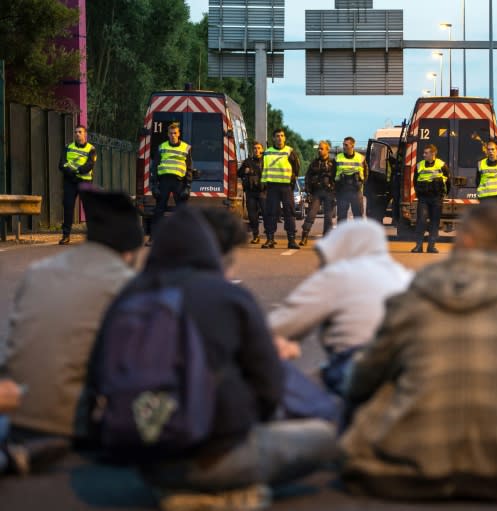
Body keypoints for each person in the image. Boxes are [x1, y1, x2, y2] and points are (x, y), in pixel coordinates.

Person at [83, 207, 337, 510]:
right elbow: (269, 388)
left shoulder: (129, 296)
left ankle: (180, 488)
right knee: (328, 436)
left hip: (145, 461)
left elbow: (98, 377)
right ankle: (226, 491)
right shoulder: (227, 296)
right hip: (219, 454)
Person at [341, 202, 497, 502]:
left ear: (467, 239)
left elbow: (363, 378)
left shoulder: (416, 293)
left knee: (375, 384)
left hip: (411, 470)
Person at [1, 191, 143, 440]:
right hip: (71, 426)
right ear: (130, 249)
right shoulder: (125, 284)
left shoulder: (38, 272)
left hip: (16, 414)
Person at [269, 220, 412, 394]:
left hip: (359, 373)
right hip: (409, 374)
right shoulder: (405, 276)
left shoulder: (340, 274)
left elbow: (279, 325)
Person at [149, 122, 193, 245]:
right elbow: (155, 166)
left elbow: (189, 168)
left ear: (179, 134)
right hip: (164, 182)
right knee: (159, 210)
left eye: (175, 133)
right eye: (171, 133)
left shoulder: (185, 148)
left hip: (179, 182)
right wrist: (154, 185)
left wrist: (188, 186)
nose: (173, 135)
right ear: (168, 134)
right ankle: (153, 238)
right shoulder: (162, 147)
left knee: (182, 211)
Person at [262, 128, 302, 250]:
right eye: (277, 136)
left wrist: (291, 180)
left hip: (286, 187)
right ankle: (270, 239)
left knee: (289, 213)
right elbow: (263, 168)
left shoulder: (289, 151)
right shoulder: (267, 152)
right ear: (273, 138)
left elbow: (296, 168)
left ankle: (291, 240)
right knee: (271, 213)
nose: (280, 138)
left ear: (284, 138)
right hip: (272, 186)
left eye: (282, 135)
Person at [59, 124, 97, 245]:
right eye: (76, 132)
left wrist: (77, 170)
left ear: (85, 134)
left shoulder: (91, 149)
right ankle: (66, 235)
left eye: (80, 132)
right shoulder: (68, 147)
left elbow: (90, 165)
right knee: (68, 207)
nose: (77, 134)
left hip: (84, 181)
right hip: (70, 181)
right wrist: (70, 172)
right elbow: (62, 164)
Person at [410, 144, 450, 254]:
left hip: (436, 198)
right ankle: (418, 246)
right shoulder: (419, 166)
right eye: (424, 153)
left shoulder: (442, 165)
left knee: (434, 222)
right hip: (423, 198)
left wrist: (444, 194)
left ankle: (431, 246)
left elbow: (448, 181)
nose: (424, 155)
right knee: (421, 221)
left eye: (426, 153)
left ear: (433, 154)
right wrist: (419, 193)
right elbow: (415, 181)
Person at [299, 141, 336, 245]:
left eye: (321, 148)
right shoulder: (314, 163)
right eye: (318, 149)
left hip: (329, 193)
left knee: (328, 217)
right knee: (311, 214)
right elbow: (307, 177)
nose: (319, 150)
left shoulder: (333, 163)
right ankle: (304, 236)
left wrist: (336, 192)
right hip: (317, 192)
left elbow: (337, 178)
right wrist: (307, 191)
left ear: (327, 150)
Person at [238, 141, 266, 244]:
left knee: (267, 214)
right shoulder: (247, 162)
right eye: (254, 148)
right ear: (252, 150)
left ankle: (270, 237)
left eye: (258, 148)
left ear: (262, 150)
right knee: (252, 216)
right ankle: (256, 235)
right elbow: (238, 173)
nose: (256, 150)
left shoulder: (266, 161)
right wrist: (244, 171)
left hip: (263, 192)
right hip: (251, 193)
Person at [335, 136, 368, 222]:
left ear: (352, 146)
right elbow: (332, 174)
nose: (344, 147)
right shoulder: (337, 157)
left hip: (356, 191)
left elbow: (366, 173)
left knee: (358, 216)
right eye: (343, 145)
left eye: (346, 145)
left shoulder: (360, 158)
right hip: (342, 190)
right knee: (341, 217)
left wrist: (361, 183)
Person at [476, 138, 497, 202]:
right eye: (488, 149)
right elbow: (477, 181)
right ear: (486, 151)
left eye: (492, 149)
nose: (491, 151)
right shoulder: (480, 164)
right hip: (485, 198)